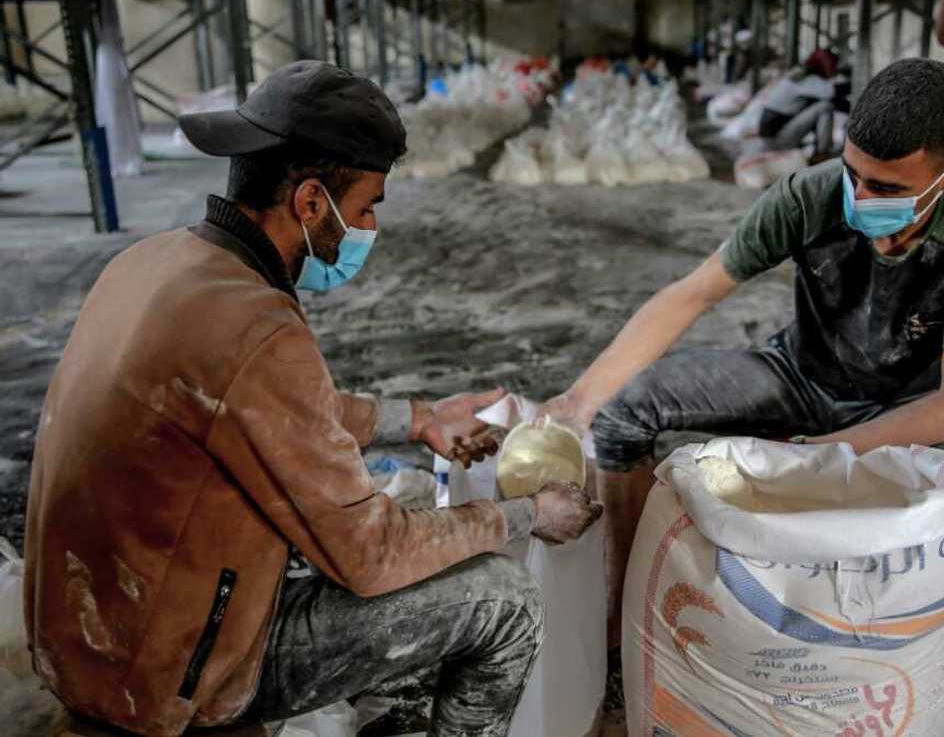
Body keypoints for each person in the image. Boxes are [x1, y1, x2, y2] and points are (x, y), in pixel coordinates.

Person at [23, 61, 601, 736]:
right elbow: (369, 554)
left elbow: (264, 410)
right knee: (501, 598)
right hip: (168, 674)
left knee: (397, 523)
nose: (370, 227)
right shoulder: (258, 327)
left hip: (92, 635)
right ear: (309, 204)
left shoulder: (157, 263)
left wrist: (417, 420)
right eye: (365, 207)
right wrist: (526, 514)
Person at [544, 58, 944, 644]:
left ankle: (936, 657)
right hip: (799, 375)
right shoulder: (810, 196)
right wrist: (579, 399)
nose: (861, 196)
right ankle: (628, 607)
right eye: (854, 174)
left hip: (905, 413)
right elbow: (690, 295)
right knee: (621, 411)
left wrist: (813, 456)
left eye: (887, 188)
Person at [758, 48, 850, 158]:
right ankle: (823, 154)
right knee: (825, 107)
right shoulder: (807, 79)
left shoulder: (797, 75)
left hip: (771, 137)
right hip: (777, 140)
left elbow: (836, 102)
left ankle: (819, 150)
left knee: (822, 105)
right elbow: (834, 92)